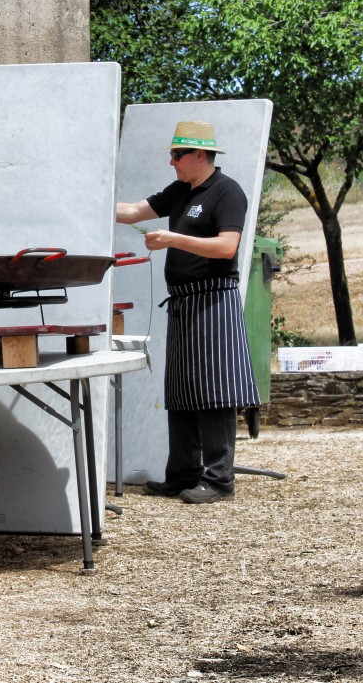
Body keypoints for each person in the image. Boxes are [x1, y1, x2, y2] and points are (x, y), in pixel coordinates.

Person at [116, 120, 260, 504]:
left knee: (214, 392)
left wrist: (173, 238)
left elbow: (227, 247)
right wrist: (91, 200)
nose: (172, 162)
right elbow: (132, 212)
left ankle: (219, 480)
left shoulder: (227, 192)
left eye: (177, 155)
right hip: (182, 302)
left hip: (214, 300)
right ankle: (181, 474)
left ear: (200, 154)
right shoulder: (180, 190)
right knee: (180, 391)